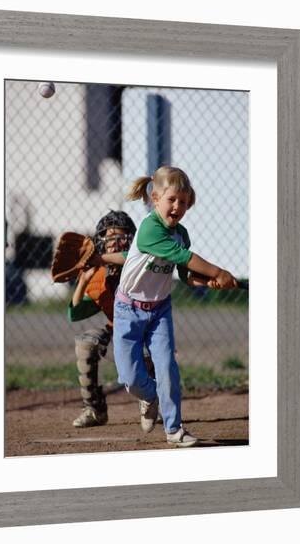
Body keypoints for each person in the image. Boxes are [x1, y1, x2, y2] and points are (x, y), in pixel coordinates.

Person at [113, 165, 238, 447]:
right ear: (155, 199)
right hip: (127, 310)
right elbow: (185, 257)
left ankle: (174, 429)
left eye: (183, 201)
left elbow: (187, 275)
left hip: (159, 310)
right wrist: (218, 271)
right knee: (130, 377)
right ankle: (149, 396)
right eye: (171, 200)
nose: (177, 206)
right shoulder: (149, 229)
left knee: (167, 366)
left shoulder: (181, 233)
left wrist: (208, 282)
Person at [68, 210, 144, 428]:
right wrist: (83, 280)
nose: (114, 243)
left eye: (120, 237)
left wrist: (101, 259)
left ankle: (151, 398)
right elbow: (75, 312)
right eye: (108, 238)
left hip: (144, 328)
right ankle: (94, 409)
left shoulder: (138, 264)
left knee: (148, 351)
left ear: (131, 240)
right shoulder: (99, 273)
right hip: (116, 328)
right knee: (85, 343)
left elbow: (130, 257)